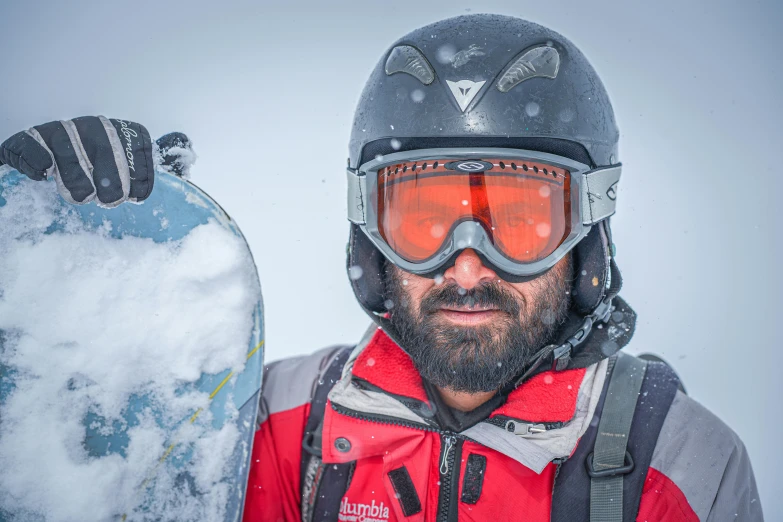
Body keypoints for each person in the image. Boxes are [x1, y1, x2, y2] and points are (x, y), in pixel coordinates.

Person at [0, 14, 763, 522]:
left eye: (522, 220)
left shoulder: (675, 465)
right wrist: (67, 269)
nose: (466, 263)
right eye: (424, 218)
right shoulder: (270, 425)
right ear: (370, 231)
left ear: (586, 232)